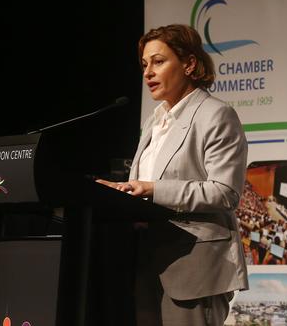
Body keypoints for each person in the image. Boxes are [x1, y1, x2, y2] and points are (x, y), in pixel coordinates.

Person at [97, 24, 249, 326]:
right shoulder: (154, 123)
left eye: (158, 61)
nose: (148, 72)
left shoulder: (216, 115)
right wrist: (121, 192)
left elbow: (224, 193)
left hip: (195, 267)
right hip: (148, 261)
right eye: (144, 65)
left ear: (189, 64)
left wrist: (152, 189)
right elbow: (144, 188)